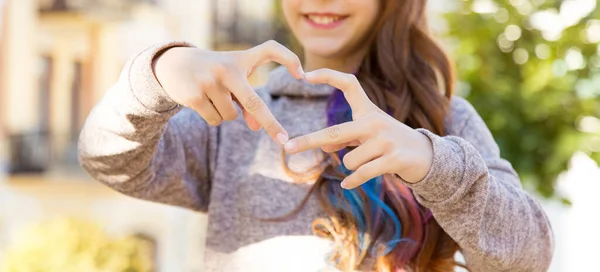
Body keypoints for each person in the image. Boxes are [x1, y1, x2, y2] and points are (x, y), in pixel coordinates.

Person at [78, 0, 553, 271]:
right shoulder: (236, 116)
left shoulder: (446, 121)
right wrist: (157, 72)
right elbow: (106, 160)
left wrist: (430, 163)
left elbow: (528, 257)